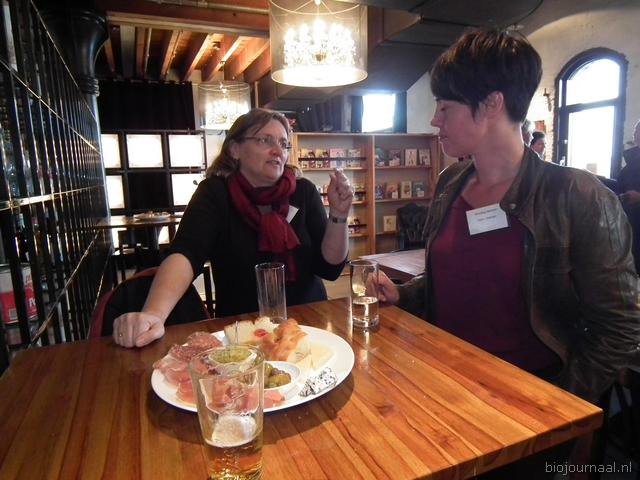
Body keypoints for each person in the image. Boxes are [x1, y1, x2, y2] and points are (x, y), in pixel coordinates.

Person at [375, 29, 640, 406]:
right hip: (442, 383)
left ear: (491, 104)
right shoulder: (450, 182)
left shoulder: (578, 196)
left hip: (526, 405)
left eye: (445, 107)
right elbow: (457, 278)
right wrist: (403, 293)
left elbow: (620, 325)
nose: (434, 120)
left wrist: (559, 404)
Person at [113, 108, 353, 348]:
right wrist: (154, 314)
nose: (278, 150)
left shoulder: (303, 191)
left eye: (283, 143)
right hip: (242, 332)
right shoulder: (215, 193)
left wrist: (339, 214)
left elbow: (329, 267)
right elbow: (186, 254)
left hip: (307, 325)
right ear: (235, 149)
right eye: (265, 140)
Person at [617, 119, 640, 271]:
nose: (636, 134)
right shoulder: (633, 159)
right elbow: (622, 184)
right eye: (636, 131)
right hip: (629, 219)